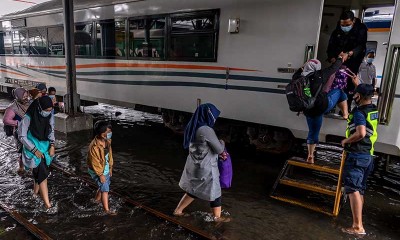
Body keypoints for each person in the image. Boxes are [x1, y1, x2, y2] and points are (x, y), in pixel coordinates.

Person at [174, 103, 230, 223]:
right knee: (216, 192)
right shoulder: (205, 129)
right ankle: (217, 219)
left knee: (194, 190)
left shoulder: (192, 126)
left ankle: (178, 211)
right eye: (214, 116)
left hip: (194, 165)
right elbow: (219, 149)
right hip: (206, 167)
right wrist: (222, 142)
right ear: (208, 115)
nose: (214, 119)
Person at [294, 53, 349, 164]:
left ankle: (310, 156)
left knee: (313, 132)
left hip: (307, 108)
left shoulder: (297, 77)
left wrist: (306, 64)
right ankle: (345, 114)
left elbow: (301, 69)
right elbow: (334, 67)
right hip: (321, 106)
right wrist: (340, 58)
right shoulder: (320, 75)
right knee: (339, 91)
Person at [341, 80, 377, 236]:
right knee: (360, 190)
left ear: (360, 96)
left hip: (357, 154)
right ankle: (358, 223)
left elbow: (361, 133)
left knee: (353, 189)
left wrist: (346, 141)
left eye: (356, 93)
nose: (354, 96)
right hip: (368, 155)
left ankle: (357, 227)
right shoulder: (372, 109)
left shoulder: (359, 113)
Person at [18, 96, 55, 210]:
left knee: (39, 170)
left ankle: (35, 193)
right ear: (39, 108)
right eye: (46, 110)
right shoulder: (27, 118)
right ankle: (47, 205)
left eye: (50, 110)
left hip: (44, 146)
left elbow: (51, 129)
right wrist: (34, 150)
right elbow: (22, 136)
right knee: (43, 174)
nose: (48, 113)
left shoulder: (49, 114)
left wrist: (52, 145)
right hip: (32, 147)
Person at [327, 10, 368, 107]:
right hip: (338, 62)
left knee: (349, 86)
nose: (344, 27)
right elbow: (331, 47)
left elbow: (361, 46)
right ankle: (330, 106)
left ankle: (346, 110)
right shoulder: (337, 30)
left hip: (353, 62)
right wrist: (332, 57)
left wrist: (349, 54)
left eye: (347, 24)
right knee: (333, 84)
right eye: (343, 25)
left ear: (353, 21)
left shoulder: (361, 29)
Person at [87, 120, 116, 215]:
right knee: (105, 189)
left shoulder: (107, 141)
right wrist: (100, 175)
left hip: (106, 168)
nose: (109, 133)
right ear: (101, 133)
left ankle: (96, 201)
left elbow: (109, 155)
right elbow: (95, 163)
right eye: (107, 132)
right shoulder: (94, 147)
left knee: (103, 186)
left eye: (110, 131)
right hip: (97, 170)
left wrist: (110, 167)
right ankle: (106, 210)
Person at [3, 88, 30, 173]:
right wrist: (18, 123)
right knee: (22, 150)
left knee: (31, 148)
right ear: (18, 96)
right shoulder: (12, 107)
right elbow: (6, 120)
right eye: (24, 96)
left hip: (30, 131)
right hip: (20, 132)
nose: (26, 98)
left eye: (27, 96)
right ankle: (21, 168)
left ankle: (31, 166)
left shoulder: (28, 103)